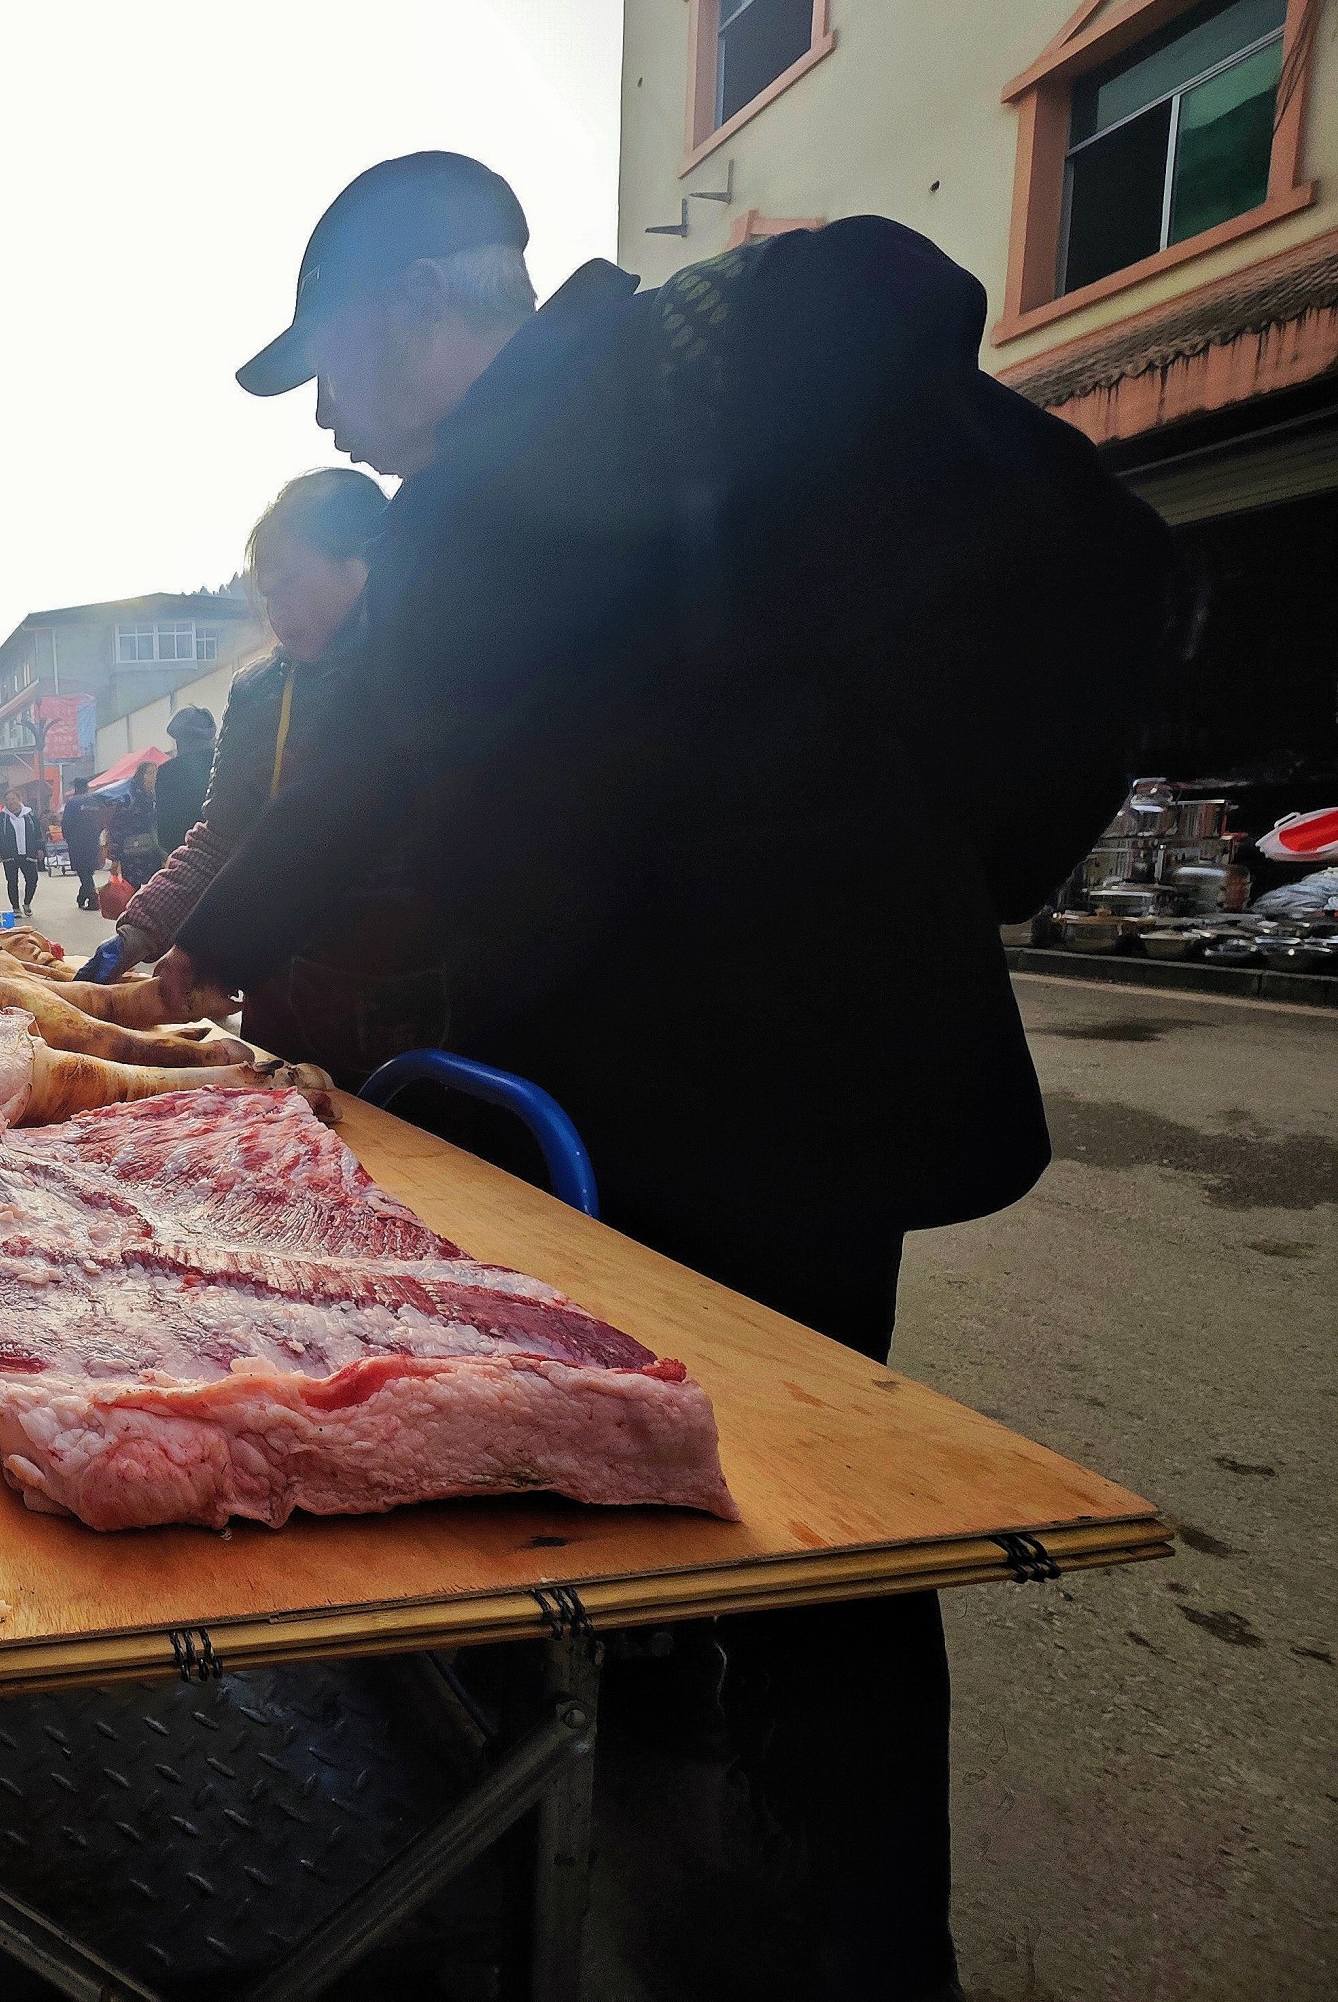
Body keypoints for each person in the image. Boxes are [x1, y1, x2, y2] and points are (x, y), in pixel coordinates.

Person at [150, 153, 1168, 2000]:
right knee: (718, 1479)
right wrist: (197, 958)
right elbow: (386, 768)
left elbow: (375, 767)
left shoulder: (605, 420)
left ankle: (857, 1947)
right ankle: (701, 1841)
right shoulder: (540, 458)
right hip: (703, 1065)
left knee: (807, 1512)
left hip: (750, 1075)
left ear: (412, 307)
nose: (329, 420)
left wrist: (177, 964)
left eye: (325, 365)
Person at [98, 469, 390, 1052]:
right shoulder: (260, 690)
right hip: (279, 990)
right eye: (266, 592)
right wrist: (134, 936)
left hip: (397, 996)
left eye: (289, 583)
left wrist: (206, 942)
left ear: (359, 567)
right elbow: (221, 836)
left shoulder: (412, 673)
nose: (275, 608)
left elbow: (319, 835)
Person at [154, 707, 217, 855]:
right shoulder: (226, 762)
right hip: (231, 857)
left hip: (187, 858)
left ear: (179, 740)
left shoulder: (167, 772)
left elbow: (165, 836)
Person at [105, 766, 162, 893]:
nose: (153, 777)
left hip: (152, 853)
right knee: (131, 890)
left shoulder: (156, 797)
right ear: (141, 775)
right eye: (150, 773)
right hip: (131, 854)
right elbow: (117, 827)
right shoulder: (128, 797)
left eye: (155, 773)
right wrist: (115, 858)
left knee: (154, 889)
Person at [60, 778, 107, 909]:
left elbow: (66, 824)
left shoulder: (72, 803)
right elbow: (103, 820)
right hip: (93, 841)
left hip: (77, 843)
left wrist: (68, 839)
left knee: (83, 872)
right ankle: (81, 898)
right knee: (88, 872)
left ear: (76, 787)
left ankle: (94, 900)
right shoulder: (96, 801)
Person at [0, 800, 42, 913]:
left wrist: (40, 848)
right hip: (9, 855)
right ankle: (15, 907)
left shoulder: (29, 815)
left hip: (28, 854)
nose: (11, 803)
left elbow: (38, 833)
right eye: (8, 800)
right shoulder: (1, 818)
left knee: (32, 879)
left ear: (18, 799)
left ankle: (27, 903)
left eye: (13, 799)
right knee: (12, 882)